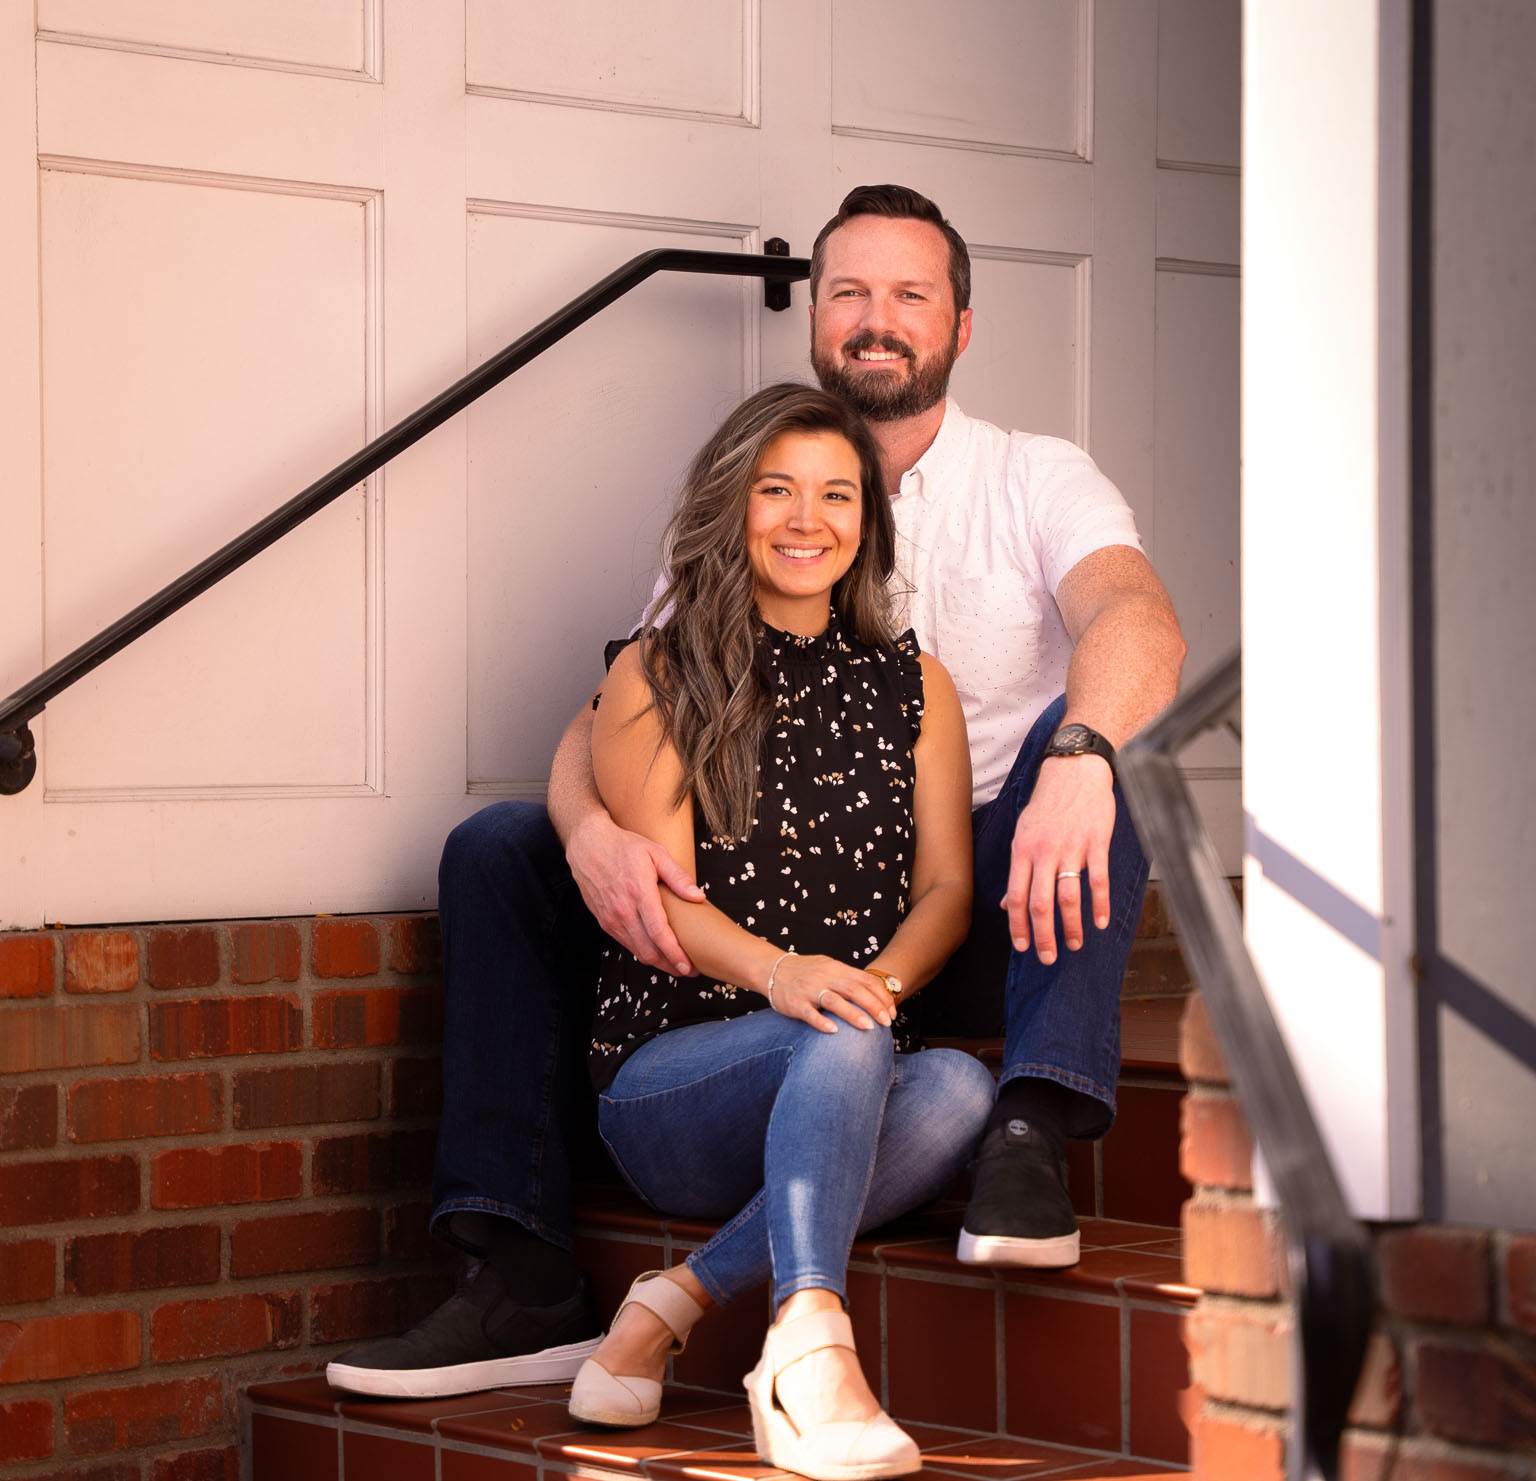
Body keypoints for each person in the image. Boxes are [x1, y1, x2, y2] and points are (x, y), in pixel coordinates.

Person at [327, 184, 1186, 1400]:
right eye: (848, 293)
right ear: (815, 319)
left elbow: (1137, 623)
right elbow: (608, 709)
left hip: (992, 889)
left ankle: (1030, 1129)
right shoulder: (752, 521)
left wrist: (1078, 757)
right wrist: (584, 834)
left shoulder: (1031, 479)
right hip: (753, 921)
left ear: (960, 324)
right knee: (499, 847)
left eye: (908, 295)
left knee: (1114, 740)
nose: (874, 319)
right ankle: (518, 1263)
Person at [556, 383, 989, 1481]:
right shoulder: (657, 671)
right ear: (730, 504)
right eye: (776, 490)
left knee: (958, 1090)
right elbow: (662, 900)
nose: (808, 519)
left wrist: (873, 984)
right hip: (673, 1079)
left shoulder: (916, 684)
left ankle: (675, 1297)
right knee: (845, 1035)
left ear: (867, 519)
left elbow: (944, 885)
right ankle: (807, 1350)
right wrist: (786, 974)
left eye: (836, 493)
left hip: (840, 1052)